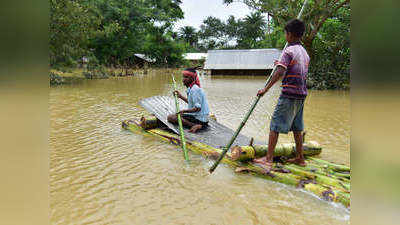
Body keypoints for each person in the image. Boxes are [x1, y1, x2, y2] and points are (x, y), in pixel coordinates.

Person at [254, 19, 310, 169]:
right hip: (301, 94)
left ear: (290, 34)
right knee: (297, 127)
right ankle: (300, 158)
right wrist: (280, 63)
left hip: (289, 94)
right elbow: (288, 68)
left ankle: (268, 158)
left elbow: (280, 72)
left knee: (275, 125)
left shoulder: (289, 51)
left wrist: (265, 89)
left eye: (286, 33)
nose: (285, 36)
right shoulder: (304, 52)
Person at [167, 68, 210, 133]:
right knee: (174, 116)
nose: (183, 79)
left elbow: (197, 108)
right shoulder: (191, 88)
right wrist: (180, 96)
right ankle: (197, 124)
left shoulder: (194, 89)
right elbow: (191, 103)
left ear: (192, 79)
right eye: (183, 77)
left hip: (200, 119)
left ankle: (196, 125)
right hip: (198, 116)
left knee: (171, 117)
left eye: (186, 77)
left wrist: (184, 111)